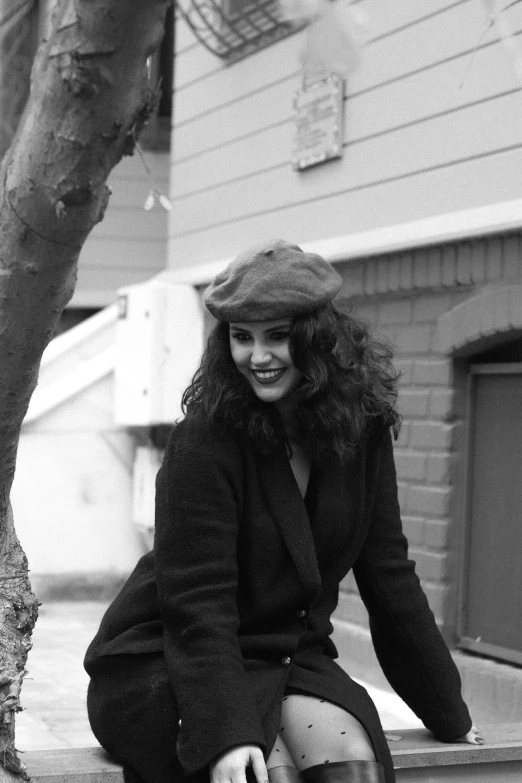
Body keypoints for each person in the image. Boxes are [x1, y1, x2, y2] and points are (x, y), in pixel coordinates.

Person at [85, 240, 482, 783]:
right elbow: (196, 606)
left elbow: (389, 574)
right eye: (241, 337)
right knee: (265, 775)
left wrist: (446, 710)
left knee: (353, 773)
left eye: (278, 336)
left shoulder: (359, 434)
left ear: (320, 339)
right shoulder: (205, 441)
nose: (258, 356)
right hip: (172, 663)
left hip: (287, 660)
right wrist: (226, 733)